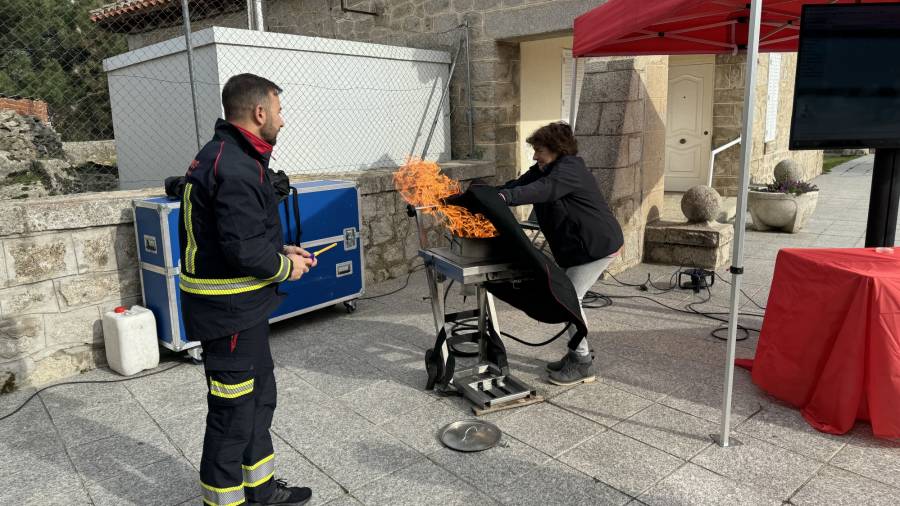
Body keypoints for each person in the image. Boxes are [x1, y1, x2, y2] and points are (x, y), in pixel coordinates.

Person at [179, 73, 315, 506]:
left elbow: (239, 233)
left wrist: (280, 248)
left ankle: (261, 490)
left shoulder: (232, 156)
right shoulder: (235, 165)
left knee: (258, 399)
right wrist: (284, 267)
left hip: (244, 310)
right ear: (259, 113)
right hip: (229, 313)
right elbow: (240, 251)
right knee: (232, 414)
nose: (282, 120)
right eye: (278, 110)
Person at [497, 121, 624, 386]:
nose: (534, 155)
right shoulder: (546, 168)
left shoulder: (569, 170)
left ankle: (583, 363)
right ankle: (576, 355)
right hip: (579, 248)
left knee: (569, 301)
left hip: (597, 246)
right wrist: (490, 194)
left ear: (556, 149)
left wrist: (506, 199)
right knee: (566, 299)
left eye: (539, 150)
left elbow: (542, 190)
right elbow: (520, 184)